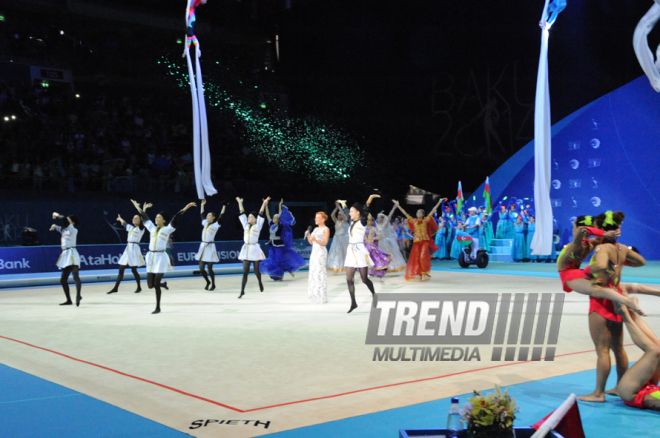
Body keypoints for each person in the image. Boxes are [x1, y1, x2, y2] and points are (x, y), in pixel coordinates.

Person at [577, 211, 646, 402]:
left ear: (602, 230)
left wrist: (591, 271)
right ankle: (620, 386)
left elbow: (599, 265)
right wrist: (619, 265)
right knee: (618, 348)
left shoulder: (602, 249)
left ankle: (598, 393)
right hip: (616, 299)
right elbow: (641, 261)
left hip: (601, 299)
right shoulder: (622, 249)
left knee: (602, 350)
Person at [131, 199, 196, 314]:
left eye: (159, 217)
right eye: (156, 217)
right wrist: (138, 207)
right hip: (151, 257)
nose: (156, 218)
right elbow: (144, 216)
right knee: (150, 285)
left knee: (156, 285)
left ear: (164, 220)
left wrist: (186, 207)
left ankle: (158, 307)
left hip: (161, 257)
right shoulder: (151, 227)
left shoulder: (168, 229)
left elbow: (176, 217)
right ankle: (162, 284)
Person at [337, 194, 380, 313]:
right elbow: (346, 213)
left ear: (358, 212)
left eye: (352, 211)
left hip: (360, 251)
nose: (349, 213)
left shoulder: (363, 222)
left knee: (364, 279)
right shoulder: (352, 221)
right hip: (351, 250)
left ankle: (374, 295)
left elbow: (365, 209)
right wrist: (343, 204)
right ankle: (353, 303)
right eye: (350, 211)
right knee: (349, 278)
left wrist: (370, 199)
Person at [614, 301, 660, 410]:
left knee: (653, 351)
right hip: (650, 385)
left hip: (631, 393)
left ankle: (624, 314)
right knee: (657, 348)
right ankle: (632, 313)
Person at [396, 197, 444, 281]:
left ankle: (424, 273)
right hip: (416, 242)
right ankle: (420, 273)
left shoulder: (426, 220)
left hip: (425, 241)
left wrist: (439, 202)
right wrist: (398, 205)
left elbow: (433, 210)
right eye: (418, 212)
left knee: (422, 256)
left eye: (420, 212)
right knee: (417, 258)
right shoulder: (413, 220)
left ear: (423, 214)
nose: (418, 213)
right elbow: (405, 213)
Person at [260, 198, 306, 281]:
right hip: (271, 245)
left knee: (279, 260)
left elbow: (280, 214)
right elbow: (267, 215)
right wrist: (266, 205)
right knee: (272, 260)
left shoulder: (280, 226)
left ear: (278, 219)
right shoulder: (271, 224)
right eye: (273, 218)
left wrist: (280, 205)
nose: (273, 219)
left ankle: (289, 269)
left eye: (275, 218)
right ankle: (277, 275)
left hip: (279, 245)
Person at [237, 196, 269, 298]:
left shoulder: (258, 225)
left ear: (255, 218)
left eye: (251, 217)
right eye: (248, 217)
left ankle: (259, 281)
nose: (249, 218)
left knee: (256, 271)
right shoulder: (245, 225)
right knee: (245, 271)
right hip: (246, 250)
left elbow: (261, 213)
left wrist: (264, 203)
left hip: (255, 249)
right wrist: (240, 202)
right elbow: (242, 213)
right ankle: (242, 291)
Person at [108, 209, 146, 294]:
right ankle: (116, 288)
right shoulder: (131, 228)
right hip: (128, 248)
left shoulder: (141, 229)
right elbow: (125, 223)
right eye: (133, 218)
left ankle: (139, 287)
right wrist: (120, 219)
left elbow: (144, 219)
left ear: (140, 220)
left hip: (134, 249)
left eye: (136, 218)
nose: (133, 219)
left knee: (134, 270)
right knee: (121, 268)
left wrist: (143, 210)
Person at [50, 212, 82, 306]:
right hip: (65, 254)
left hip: (72, 254)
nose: (67, 222)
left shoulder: (73, 229)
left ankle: (78, 295)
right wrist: (54, 225)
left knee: (75, 276)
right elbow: (58, 227)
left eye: (69, 220)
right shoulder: (65, 230)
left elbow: (64, 219)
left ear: (73, 223)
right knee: (63, 280)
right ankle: (69, 300)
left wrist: (57, 215)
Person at [195, 199, 226, 290]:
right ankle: (207, 281)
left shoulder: (215, 225)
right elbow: (201, 215)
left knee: (209, 268)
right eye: (207, 215)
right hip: (203, 247)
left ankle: (213, 283)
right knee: (201, 269)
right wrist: (202, 205)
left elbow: (221, 216)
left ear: (213, 217)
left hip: (210, 247)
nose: (207, 217)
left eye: (209, 215)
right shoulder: (205, 223)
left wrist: (224, 206)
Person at [306, 211, 330, 303]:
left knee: (320, 272)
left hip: (321, 252)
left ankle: (321, 296)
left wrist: (315, 239)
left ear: (323, 219)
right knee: (313, 272)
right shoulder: (315, 229)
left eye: (318, 218)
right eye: (315, 217)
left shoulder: (326, 229)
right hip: (314, 252)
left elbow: (325, 243)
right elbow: (312, 242)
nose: (316, 219)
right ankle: (314, 295)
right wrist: (309, 236)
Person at [376, 205, 407, 272]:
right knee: (381, 255)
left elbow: (389, 217)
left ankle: (390, 266)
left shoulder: (384, 225)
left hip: (385, 242)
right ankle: (382, 267)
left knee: (388, 254)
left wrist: (393, 209)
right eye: (377, 218)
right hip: (379, 242)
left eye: (379, 218)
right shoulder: (376, 225)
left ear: (382, 218)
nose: (378, 219)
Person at [365, 215, 391, 279]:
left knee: (374, 259)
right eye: (368, 220)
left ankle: (379, 272)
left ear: (372, 222)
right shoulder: (364, 228)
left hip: (371, 246)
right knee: (366, 259)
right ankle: (368, 273)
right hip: (365, 245)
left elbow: (379, 236)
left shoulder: (373, 228)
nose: (368, 222)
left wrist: (373, 238)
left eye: (370, 220)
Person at [326, 202, 349, 273]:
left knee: (344, 252)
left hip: (343, 238)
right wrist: (336, 207)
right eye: (338, 215)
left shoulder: (345, 221)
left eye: (340, 215)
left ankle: (347, 266)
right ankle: (336, 266)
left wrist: (340, 207)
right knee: (336, 252)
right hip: (336, 238)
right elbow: (332, 215)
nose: (339, 216)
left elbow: (344, 215)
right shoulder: (336, 221)